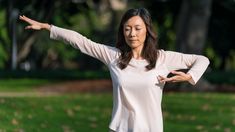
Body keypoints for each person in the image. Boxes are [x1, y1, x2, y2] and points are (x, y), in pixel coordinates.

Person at [20, 8, 209, 132]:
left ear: (147, 31)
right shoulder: (113, 56)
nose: (132, 33)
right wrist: (48, 27)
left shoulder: (163, 58)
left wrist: (190, 77)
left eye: (137, 28)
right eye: (127, 29)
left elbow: (202, 59)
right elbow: (81, 42)